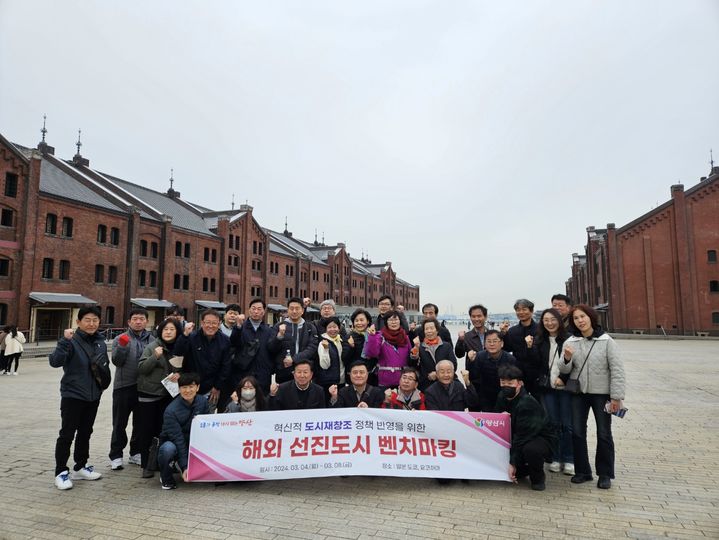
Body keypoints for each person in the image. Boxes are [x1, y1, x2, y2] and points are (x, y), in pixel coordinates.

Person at [559, 304, 626, 489]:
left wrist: (616, 396)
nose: (580, 321)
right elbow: (563, 369)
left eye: (583, 317)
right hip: (578, 394)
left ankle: (604, 474)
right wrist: (566, 358)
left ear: (590, 317)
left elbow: (617, 370)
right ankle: (583, 471)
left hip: (602, 394)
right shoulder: (570, 341)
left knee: (604, 433)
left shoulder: (606, 341)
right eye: (576, 318)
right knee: (577, 432)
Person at [49, 307, 108, 490]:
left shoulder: (100, 342)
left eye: (95, 320)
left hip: (93, 395)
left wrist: (102, 386)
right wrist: (64, 342)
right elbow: (55, 361)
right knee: (67, 434)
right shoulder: (71, 341)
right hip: (73, 395)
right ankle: (61, 472)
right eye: (88, 320)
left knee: (85, 432)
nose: (92, 324)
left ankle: (80, 466)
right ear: (78, 322)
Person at [496, 364, 557, 491]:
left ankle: (538, 478)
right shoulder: (501, 396)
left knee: (531, 449)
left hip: (539, 438)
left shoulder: (527, 403)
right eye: (503, 382)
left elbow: (521, 437)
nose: (506, 386)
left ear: (519, 384)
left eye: (510, 382)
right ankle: (523, 469)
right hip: (518, 435)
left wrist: (512, 463)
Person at [135, 318, 182, 478]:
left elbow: (183, 368)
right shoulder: (153, 346)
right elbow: (141, 369)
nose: (168, 332)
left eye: (172, 329)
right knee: (147, 430)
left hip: (168, 396)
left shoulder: (179, 348)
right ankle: (147, 465)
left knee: (164, 430)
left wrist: (179, 375)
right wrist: (154, 357)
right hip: (149, 395)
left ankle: (163, 463)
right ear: (160, 331)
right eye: (165, 329)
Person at [109, 308, 152, 470]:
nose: (138, 321)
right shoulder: (121, 338)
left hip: (144, 388)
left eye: (141, 319)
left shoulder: (152, 340)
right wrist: (122, 347)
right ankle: (116, 454)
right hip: (123, 386)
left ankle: (136, 453)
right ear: (129, 322)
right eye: (135, 319)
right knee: (119, 422)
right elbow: (117, 361)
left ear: (146, 321)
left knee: (140, 423)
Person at [532, 308, 573, 476]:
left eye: (552, 319)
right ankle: (555, 457)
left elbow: (574, 363)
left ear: (559, 320)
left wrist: (563, 377)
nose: (549, 323)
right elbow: (537, 364)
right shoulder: (539, 340)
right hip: (547, 388)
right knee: (553, 424)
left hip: (565, 388)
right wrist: (530, 347)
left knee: (567, 425)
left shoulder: (570, 339)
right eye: (546, 320)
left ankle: (569, 459)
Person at [173, 310, 232, 414]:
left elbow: (226, 366)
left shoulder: (225, 340)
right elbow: (178, 353)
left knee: (207, 417)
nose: (211, 326)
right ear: (202, 323)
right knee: (188, 418)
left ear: (219, 324)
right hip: (191, 386)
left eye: (214, 323)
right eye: (208, 322)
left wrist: (217, 386)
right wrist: (185, 334)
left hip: (212, 388)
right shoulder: (192, 337)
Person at [157, 372, 209, 490]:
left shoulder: (203, 402)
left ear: (198, 387)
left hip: (194, 441)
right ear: (179, 389)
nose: (188, 390)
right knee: (168, 449)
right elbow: (178, 439)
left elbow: (207, 428)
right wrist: (185, 467)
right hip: (175, 442)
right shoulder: (171, 410)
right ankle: (166, 478)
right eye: (184, 387)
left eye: (191, 387)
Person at [267, 297, 319, 385]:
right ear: (288, 310)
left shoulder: (310, 327)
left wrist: (294, 359)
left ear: (302, 310)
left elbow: (312, 348)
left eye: (297, 308)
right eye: (291, 308)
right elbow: (271, 348)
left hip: (304, 371)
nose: (294, 311)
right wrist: (279, 337)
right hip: (284, 372)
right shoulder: (279, 326)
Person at [230, 299, 274, 394]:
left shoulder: (269, 331)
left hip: (263, 377)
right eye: (253, 309)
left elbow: (272, 351)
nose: (256, 311)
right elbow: (234, 342)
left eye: (259, 309)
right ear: (249, 310)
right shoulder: (240, 328)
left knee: (262, 404)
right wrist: (238, 326)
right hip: (243, 376)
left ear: (264, 311)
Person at [467, 329, 517, 412]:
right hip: (485, 396)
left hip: (505, 396)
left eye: (495, 341)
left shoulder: (510, 359)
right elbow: (473, 376)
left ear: (502, 343)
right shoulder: (479, 356)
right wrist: (471, 361)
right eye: (489, 341)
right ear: (484, 344)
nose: (492, 344)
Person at [501, 299, 540, 396]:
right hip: (519, 373)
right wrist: (504, 334)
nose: (521, 312)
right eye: (518, 310)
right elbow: (507, 348)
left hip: (537, 374)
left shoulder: (540, 329)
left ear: (531, 311)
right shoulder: (513, 331)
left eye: (524, 309)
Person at [364, 310, 411, 389]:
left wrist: (415, 354)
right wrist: (372, 337)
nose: (393, 322)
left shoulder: (405, 337)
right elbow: (372, 353)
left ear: (400, 321)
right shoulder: (379, 335)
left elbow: (410, 356)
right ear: (386, 322)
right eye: (390, 320)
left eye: (396, 319)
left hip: (403, 380)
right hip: (385, 380)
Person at [411, 319, 457, 391]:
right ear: (424, 331)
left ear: (437, 330)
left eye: (432, 328)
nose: (429, 331)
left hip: (446, 384)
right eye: (426, 329)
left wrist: (438, 374)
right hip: (426, 386)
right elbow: (414, 367)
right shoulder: (420, 347)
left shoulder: (446, 346)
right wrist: (415, 350)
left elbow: (453, 365)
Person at [342, 308, 375, 385]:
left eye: (361, 320)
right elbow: (344, 358)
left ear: (368, 321)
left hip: (370, 375)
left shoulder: (373, 336)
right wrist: (351, 347)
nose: (359, 323)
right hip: (354, 376)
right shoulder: (349, 337)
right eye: (356, 321)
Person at [316, 317, 347, 398]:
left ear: (339, 328)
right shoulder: (323, 342)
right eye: (329, 327)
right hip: (328, 382)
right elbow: (324, 365)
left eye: (335, 327)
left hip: (341, 381)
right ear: (326, 329)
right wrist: (326, 349)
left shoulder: (342, 340)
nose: (332, 329)